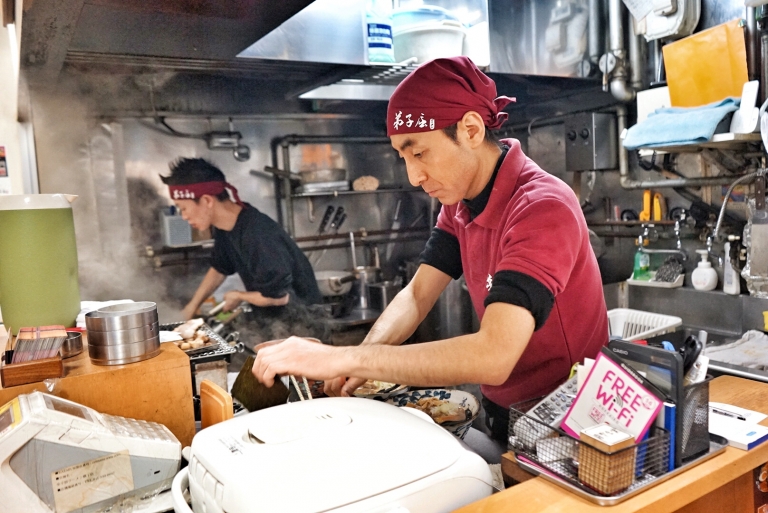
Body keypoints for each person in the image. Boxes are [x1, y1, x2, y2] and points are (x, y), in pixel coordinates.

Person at [251, 57, 608, 443]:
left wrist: (344, 356)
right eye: (402, 158)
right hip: (506, 411)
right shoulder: (458, 205)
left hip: (571, 421)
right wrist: (360, 362)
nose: (414, 177)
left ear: (470, 129)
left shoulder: (541, 206)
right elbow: (418, 295)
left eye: (419, 153)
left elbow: (495, 355)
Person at [161, 158, 322, 321]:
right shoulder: (226, 227)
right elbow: (219, 268)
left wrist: (239, 296)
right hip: (275, 324)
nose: (184, 216)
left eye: (184, 208)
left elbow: (280, 297)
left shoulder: (256, 233)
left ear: (207, 201)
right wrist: (191, 307)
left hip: (303, 328)